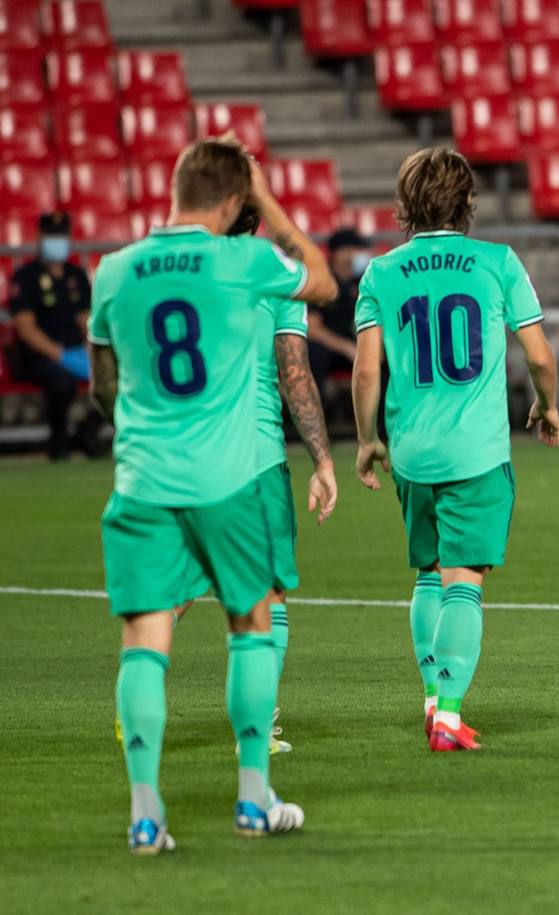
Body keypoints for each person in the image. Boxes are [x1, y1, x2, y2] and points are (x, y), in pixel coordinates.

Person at [88, 138, 338, 854]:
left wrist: (137, 433)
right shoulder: (245, 258)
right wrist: (272, 208)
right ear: (235, 201)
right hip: (229, 481)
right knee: (252, 623)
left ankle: (145, 813)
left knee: (144, 641)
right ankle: (253, 797)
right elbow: (321, 283)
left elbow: (104, 384)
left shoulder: (112, 271)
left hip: (142, 481)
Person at [352, 147, 559, 752]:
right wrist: (547, 406)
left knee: (427, 573)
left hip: (412, 452)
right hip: (476, 451)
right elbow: (540, 354)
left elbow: (368, 373)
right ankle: (447, 713)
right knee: (463, 578)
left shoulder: (381, 273)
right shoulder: (497, 262)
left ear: (405, 205)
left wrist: (369, 441)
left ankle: (430, 695)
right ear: (468, 203)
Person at [7, 212, 103, 458]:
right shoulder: (26, 277)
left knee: (114, 375)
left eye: (61, 236)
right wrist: (60, 355)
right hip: (36, 356)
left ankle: (88, 430)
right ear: (39, 238)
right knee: (62, 381)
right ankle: (58, 444)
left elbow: (85, 320)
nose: (57, 241)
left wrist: (93, 351)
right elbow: (26, 328)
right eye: (51, 236)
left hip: (74, 350)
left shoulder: (76, 276)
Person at [307, 227, 370, 395]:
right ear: (337, 253)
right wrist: (346, 347)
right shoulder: (322, 282)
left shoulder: (363, 281)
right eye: (351, 250)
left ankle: (382, 418)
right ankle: (317, 415)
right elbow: (312, 329)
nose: (356, 255)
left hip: (355, 345)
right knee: (314, 352)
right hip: (331, 349)